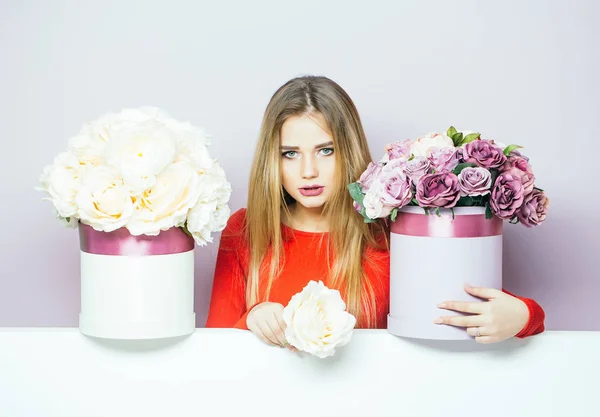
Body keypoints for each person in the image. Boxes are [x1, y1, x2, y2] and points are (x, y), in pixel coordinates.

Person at [205, 75, 545, 346]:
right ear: (272, 159)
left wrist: (524, 316)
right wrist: (251, 320)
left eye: (326, 151)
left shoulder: (390, 229)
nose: (308, 170)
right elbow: (213, 348)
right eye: (290, 154)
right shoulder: (245, 229)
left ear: (348, 150)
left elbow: (462, 308)